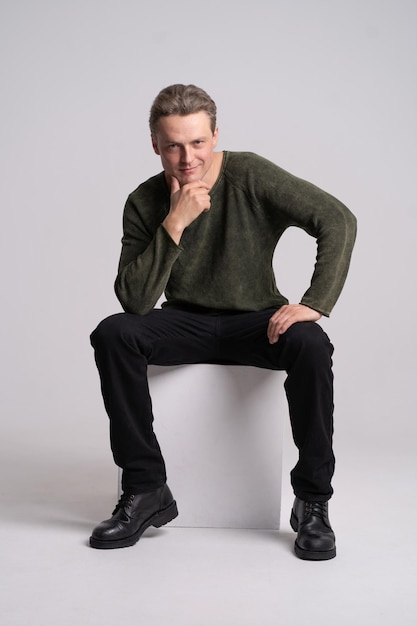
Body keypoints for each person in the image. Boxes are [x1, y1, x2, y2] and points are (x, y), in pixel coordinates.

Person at [89, 84, 357, 560]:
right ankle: (147, 488)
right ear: (155, 144)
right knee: (114, 333)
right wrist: (175, 223)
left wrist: (315, 302)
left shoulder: (249, 173)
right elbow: (134, 301)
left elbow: (336, 219)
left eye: (197, 142)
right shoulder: (144, 200)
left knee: (312, 343)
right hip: (184, 322)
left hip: (257, 322)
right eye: (172, 144)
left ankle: (313, 501)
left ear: (214, 135)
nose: (186, 157)